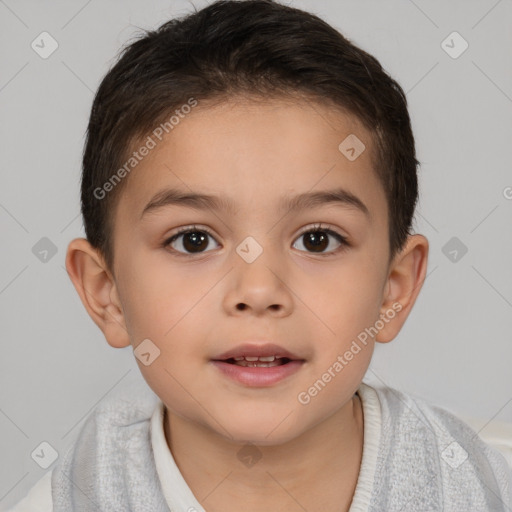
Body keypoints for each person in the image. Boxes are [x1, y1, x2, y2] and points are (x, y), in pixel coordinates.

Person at [7, 0, 512, 510]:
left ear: (394, 288)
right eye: (193, 240)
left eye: (318, 239)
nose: (258, 291)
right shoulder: (69, 498)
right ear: (106, 293)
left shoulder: (478, 488)